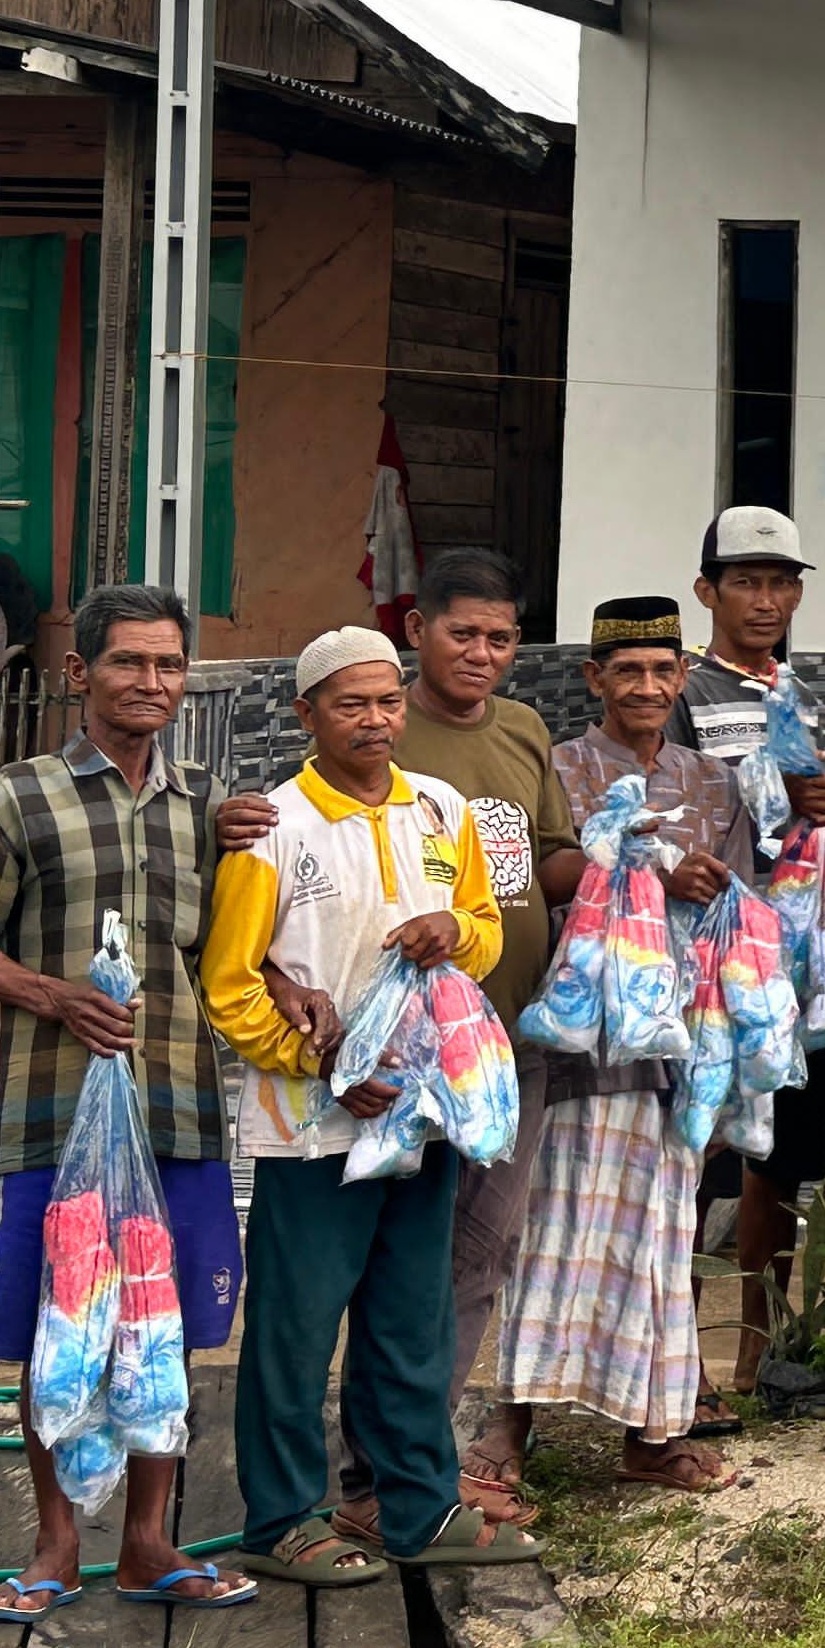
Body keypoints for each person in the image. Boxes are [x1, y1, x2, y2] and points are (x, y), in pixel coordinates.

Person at [0, 584, 274, 1628]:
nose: (151, 684)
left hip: (179, 1109)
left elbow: (230, 952)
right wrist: (51, 994)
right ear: (80, 675)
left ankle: (149, 1543)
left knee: (169, 1324)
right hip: (54, 1111)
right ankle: (54, 1546)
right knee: (58, 1323)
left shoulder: (210, 806)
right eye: (129, 664)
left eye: (169, 666)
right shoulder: (16, 799)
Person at [204, 627, 530, 1589]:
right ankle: (281, 1517)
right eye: (352, 704)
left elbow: (482, 928)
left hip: (421, 1116)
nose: (377, 720)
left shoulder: (442, 810)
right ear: (307, 716)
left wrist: (454, 928)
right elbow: (231, 985)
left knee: (410, 1318)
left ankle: (417, 1501)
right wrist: (323, 1065)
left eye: (388, 701)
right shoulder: (273, 831)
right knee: (296, 1327)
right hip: (314, 1125)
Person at [496, 600, 747, 1493]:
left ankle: (651, 1432)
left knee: (661, 1231)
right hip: (578, 1040)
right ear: (594, 680)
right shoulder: (556, 769)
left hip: (679, 1042)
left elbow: (741, 916)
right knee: (553, 1221)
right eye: (627, 672)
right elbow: (527, 886)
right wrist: (642, 874)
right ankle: (511, 1422)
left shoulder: (714, 782)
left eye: (662, 672)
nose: (646, 687)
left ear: (682, 680)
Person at [391, 545, 587, 1530]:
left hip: (520, 1038)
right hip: (419, 1050)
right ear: (416, 630)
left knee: (483, 1252)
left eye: (500, 637)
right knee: (404, 1255)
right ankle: (376, 1467)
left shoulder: (522, 727)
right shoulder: (384, 726)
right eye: (462, 632)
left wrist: (617, 869)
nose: (481, 653)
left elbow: (547, 859)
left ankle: (426, 1456)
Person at [678, 507, 825, 1403]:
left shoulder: (799, 692)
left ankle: (758, 1344)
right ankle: (682, 1365)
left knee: (776, 1161)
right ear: (708, 590)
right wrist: (770, 790)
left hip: (792, 959)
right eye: (746, 581)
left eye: (782, 582)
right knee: (697, 1152)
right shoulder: (679, 690)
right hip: (706, 962)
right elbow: (666, 809)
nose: (767, 598)